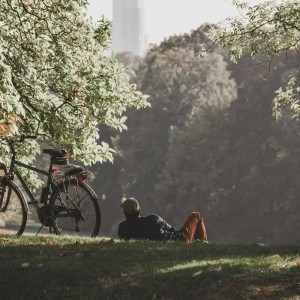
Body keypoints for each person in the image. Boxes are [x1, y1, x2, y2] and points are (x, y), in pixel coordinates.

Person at [118, 197, 208, 243]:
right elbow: (171, 230)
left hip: (169, 243)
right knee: (196, 215)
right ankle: (204, 245)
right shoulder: (153, 218)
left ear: (125, 214)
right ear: (139, 210)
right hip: (178, 239)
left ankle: (201, 244)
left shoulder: (122, 228)